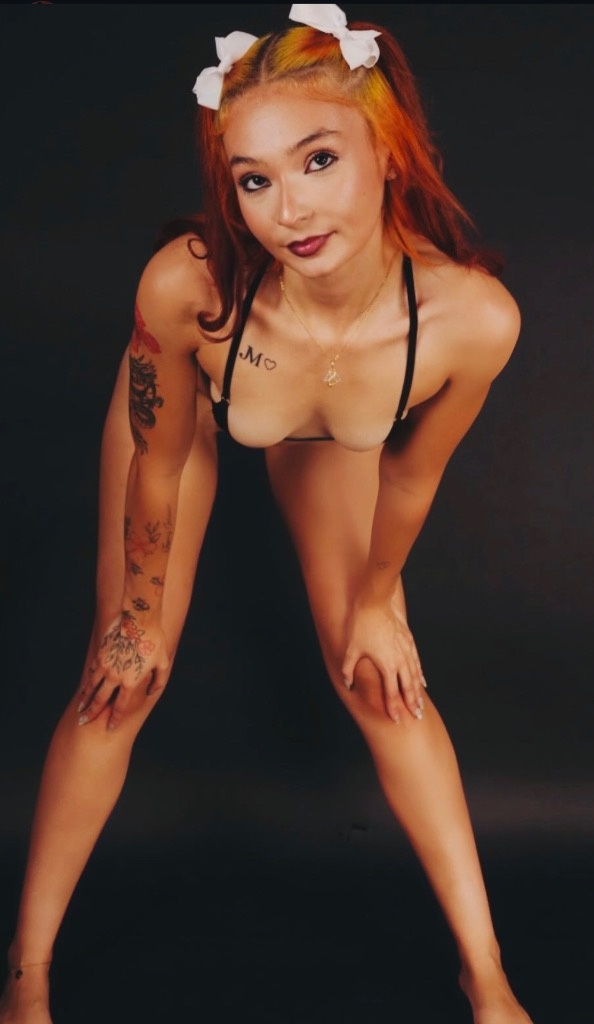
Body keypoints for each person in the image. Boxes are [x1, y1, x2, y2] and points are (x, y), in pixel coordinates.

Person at [0, 5, 532, 1023]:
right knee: (122, 681)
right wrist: (138, 615)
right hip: (197, 416)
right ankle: (27, 971)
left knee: (382, 678)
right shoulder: (187, 286)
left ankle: (488, 972)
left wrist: (377, 601)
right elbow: (158, 465)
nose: (289, 208)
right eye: (254, 179)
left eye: (318, 159)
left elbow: (411, 478)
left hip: (331, 443)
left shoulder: (471, 320)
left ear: (387, 152)